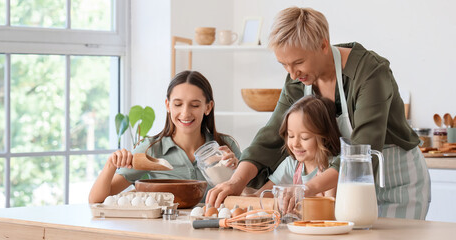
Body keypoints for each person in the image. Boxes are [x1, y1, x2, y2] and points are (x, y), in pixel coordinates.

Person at [206, 6, 430, 220]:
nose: (293, 74)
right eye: (284, 64)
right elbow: (270, 138)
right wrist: (235, 182)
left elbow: (364, 150)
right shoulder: (298, 81)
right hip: (345, 186)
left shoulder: (370, 73)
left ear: (324, 45)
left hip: (394, 184)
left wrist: (306, 188)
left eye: (298, 62)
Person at [89, 70, 241, 203]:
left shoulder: (225, 147)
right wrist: (111, 164)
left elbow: (252, 195)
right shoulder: (151, 149)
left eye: (194, 105)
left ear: (208, 107)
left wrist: (234, 173)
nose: (185, 113)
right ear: (168, 105)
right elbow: (97, 199)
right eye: (178, 104)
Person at [256, 95, 341, 198]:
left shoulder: (332, 169)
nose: (295, 144)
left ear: (325, 137)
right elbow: (263, 195)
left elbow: (329, 207)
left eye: (304, 138)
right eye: (291, 136)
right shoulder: (292, 165)